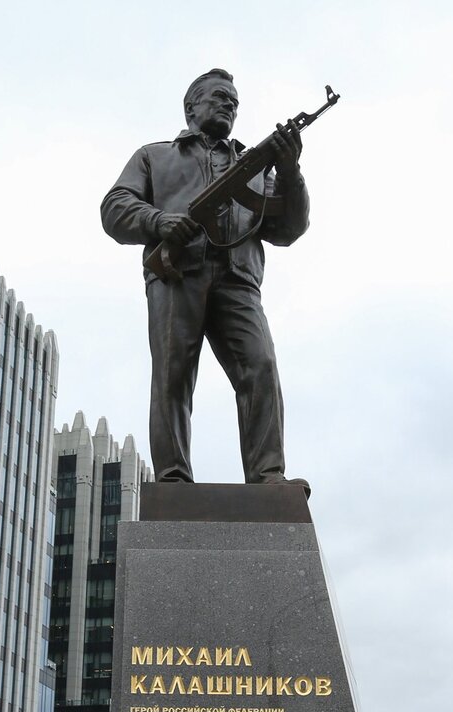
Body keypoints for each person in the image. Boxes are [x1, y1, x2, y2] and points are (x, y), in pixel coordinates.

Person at [101, 69, 311, 488]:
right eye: (219, 97)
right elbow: (114, 207)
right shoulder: (155, 156)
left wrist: (290, 173)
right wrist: (159, 221)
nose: (230, 105)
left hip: (238, 279)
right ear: (190, 107)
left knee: (261, 365)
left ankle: (268, 475)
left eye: (234, 101)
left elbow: (290, 229)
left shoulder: (254, 169)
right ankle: (174, 478)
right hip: (179, 274)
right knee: (173, 374)